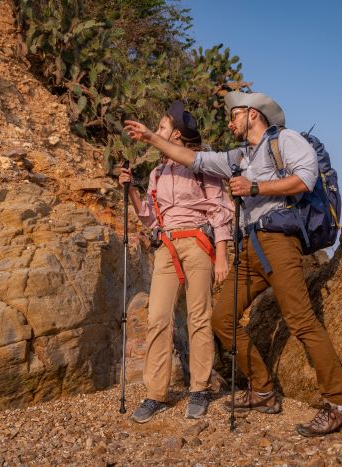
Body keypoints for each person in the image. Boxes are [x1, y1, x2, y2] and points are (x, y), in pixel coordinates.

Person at [124, 92, 342, 436]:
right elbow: (193, 158)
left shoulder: (285, 140)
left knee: (301, 321)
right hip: (251, 247)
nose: (229, 122)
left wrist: (255, 186)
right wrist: (151, 137)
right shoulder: (239, 156)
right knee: (223, 319)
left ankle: (338, 404)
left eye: (234, 116)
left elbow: (304, 179)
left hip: (279, 241)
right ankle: (262, 389)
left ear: (252, 113)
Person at [119, 101, 234, 423]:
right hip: (166, 246)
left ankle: (199, 388)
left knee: (199, 316)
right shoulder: (157, 172)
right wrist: (131, 191)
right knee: (157, 317)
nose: (158, 131)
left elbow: (220, 210)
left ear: (178, 135)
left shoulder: (201, 167)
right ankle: (156, 393)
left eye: (162, 127)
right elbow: (149, 220)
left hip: (198, 243)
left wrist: (222, 254)